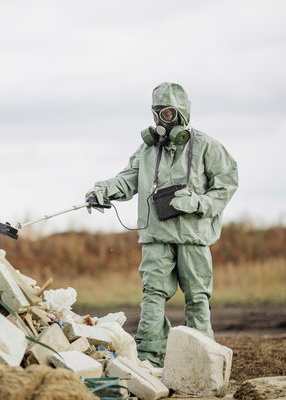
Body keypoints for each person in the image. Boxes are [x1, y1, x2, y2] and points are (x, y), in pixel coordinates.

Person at [86, 82, 238, 367]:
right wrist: (103, 189)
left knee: (197, 298)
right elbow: (126, 179)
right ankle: (148, 360)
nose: (161, 120)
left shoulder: (207, 146)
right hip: (156, 236)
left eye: (168, 113)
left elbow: (226, 185)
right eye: (157, 113)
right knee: (152, 295)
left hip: (193, 236)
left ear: (181, 114)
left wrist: (197, 203)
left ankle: (201, 359)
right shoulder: (146, 152)